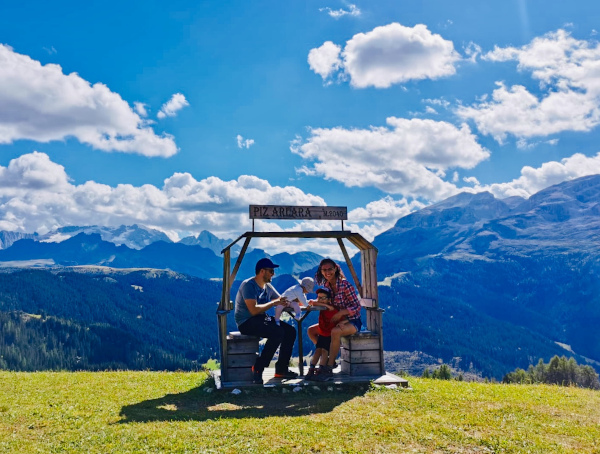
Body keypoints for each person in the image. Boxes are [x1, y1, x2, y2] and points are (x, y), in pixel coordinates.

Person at [234, 258, 298, 384]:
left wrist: (295, 302)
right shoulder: (249, 285)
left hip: (260, 318)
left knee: (290, 331)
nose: (273, 274)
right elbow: (253, 310)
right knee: (277, 332)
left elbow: (280, 299)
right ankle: (258, 368)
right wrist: (274, 302)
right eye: (271, 271)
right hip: (246, 322)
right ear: (262, 271)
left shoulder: (267, 286)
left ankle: (281, 369)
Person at [308, 258, 362, 381]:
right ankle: (326, 354)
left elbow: (357, 307)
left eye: (330, 269)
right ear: (321, 271)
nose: (327, 272)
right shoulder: (326, 286)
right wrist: (314, 302)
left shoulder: (345, 285)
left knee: (335, 332)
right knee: (311, 331)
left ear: (335, 269)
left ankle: (328, 368)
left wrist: (342, 313)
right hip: (336, 321)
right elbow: (325, 301)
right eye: (324, 270)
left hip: (352, 321)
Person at [304, 287, 338, 381]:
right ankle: (315, 369)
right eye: (319, 298)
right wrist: (326, 305)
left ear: (329, 299)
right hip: (323, 332)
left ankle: (319, 369)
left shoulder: (332, 309)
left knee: (323, 351)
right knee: (319, 350)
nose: (320, 300)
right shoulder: (325, 306)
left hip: (329, 334)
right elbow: (312, 302)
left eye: (323, 298)